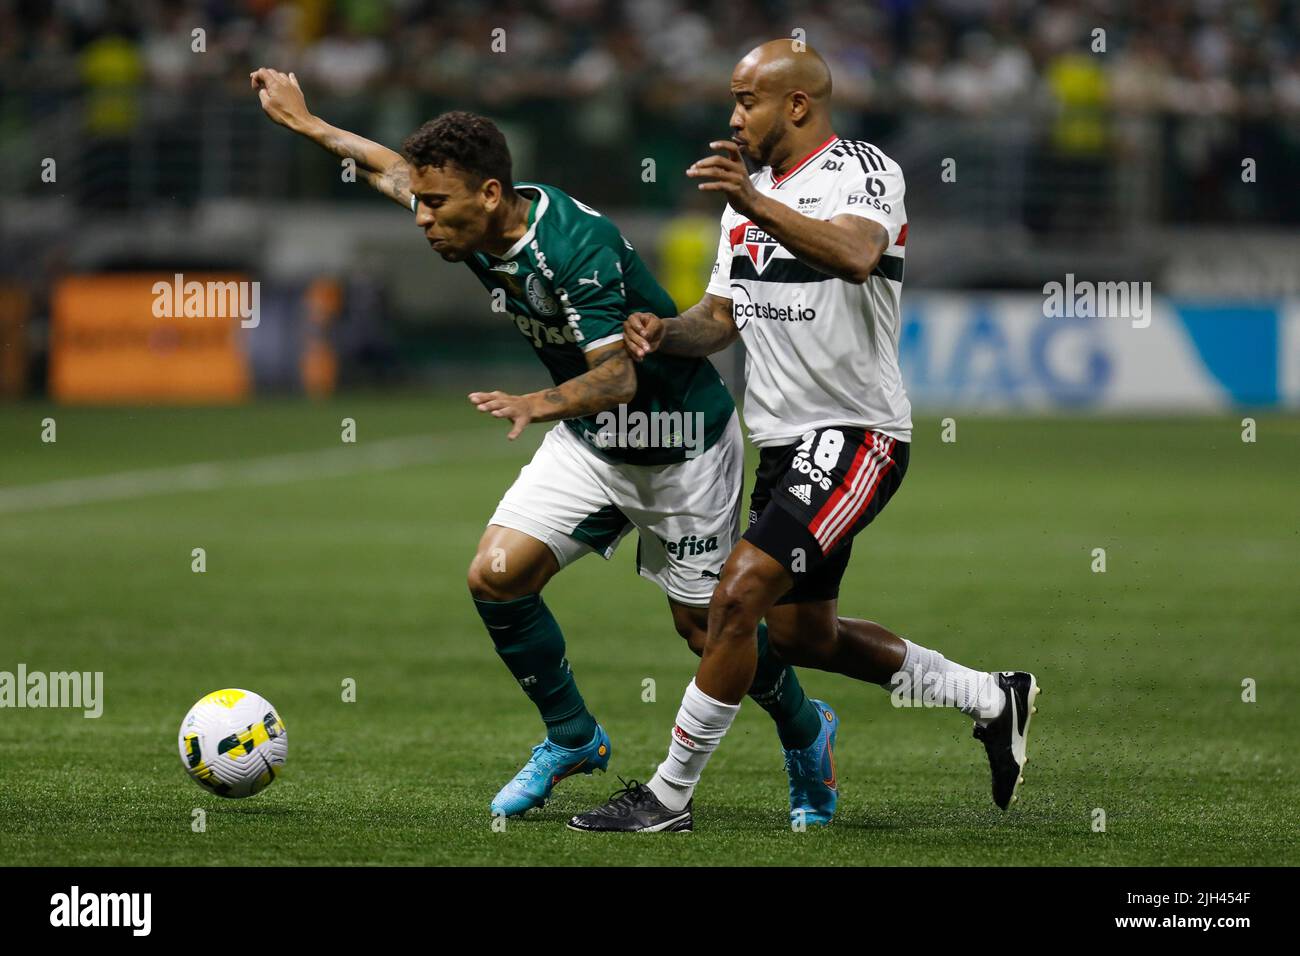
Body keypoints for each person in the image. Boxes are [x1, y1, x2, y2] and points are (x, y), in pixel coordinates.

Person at [251, 67, 837, 821]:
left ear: (489, 194)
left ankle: (805, 729)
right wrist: (307, 123)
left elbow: (620, 381)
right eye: (422, 204)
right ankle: (572, 737)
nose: (422, 218)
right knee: (496, 576)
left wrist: (536, 402)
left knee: (706, 630)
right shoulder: (466, 216)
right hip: (593, 441)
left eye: (435, 205)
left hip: (678, 443)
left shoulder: (569, 247)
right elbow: (391, 169)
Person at [570, 41, 1039, 833]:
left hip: (857, 433)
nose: (732, 116)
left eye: (745, 99)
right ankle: (993, 697)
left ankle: (667, 796)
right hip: (785, 445)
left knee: (739, 594)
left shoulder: (861, 169)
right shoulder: (744, 198)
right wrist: (661, 331)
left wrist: (755, 204)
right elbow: (719, 319)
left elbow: (857, 255)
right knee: (802, 635)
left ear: (796, 104)